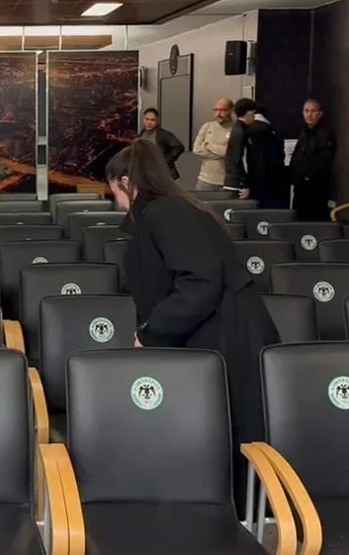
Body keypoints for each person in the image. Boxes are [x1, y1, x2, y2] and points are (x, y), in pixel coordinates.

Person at [107, 139, 280, 520]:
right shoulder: (178, 208)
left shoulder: (164, 213)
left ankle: (235, 520)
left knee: (231, 429)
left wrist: (151, 332)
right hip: (222, 326)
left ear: (127, 181)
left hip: (223, 333)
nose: (116, 202)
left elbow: (199, 281)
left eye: (115, 191)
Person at [225, 99, 288, 209]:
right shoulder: (242, 133)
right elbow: (241, 159)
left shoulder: (237, 130)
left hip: (233, 181)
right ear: (249, 113)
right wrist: (245, 184)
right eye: (253, 113)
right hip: (240, 185)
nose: (254, 117)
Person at [291, 99, 336, 221]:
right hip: (300, 185)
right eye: (306, 111)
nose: (309, 114)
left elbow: (324, 160)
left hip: (315, 187)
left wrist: (308, 175)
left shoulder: (324, 134)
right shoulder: (304, 132)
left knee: (313, 219)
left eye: (313, 111)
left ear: (319, 114)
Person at [192, 98, 233, 191]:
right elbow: (197, 149)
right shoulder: (207, 126)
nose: (218, 114)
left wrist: (208, 146)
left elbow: (230, 153)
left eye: (222, 110)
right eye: (216, 110)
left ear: (231, 110)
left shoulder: (235, 129)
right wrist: (220, 153)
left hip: (225, 182)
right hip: (205, 180)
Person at [138, 107, 184, 180]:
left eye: (152, 120)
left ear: (157, 121)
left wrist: (167, 160)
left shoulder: (163, 134)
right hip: (144, 172)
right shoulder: (140, 136)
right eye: (147, 119)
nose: (149, 122)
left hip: (161, 173)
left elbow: (179, 147)